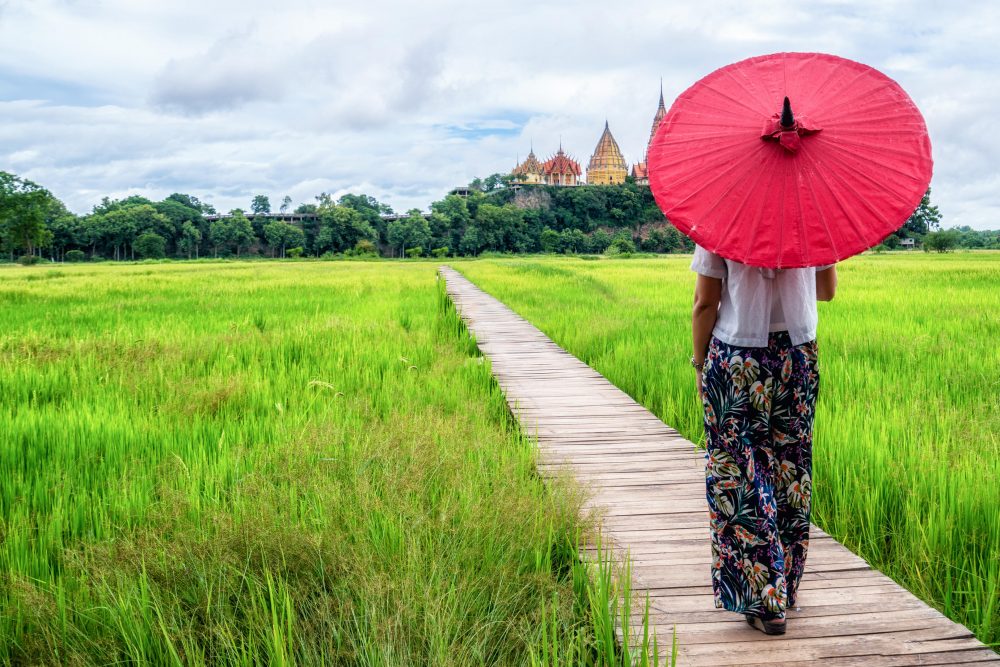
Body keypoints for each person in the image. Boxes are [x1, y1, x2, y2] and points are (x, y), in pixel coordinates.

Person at [690, 244, 837, 635]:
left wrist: (699, 363)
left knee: (740, 474)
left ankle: (765, 601)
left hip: (737, 358)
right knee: (790, 468)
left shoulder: (723, 216)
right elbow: (826, 291)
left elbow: (706, 303)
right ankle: (784, 586)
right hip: (798, 356)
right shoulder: (813, 217)